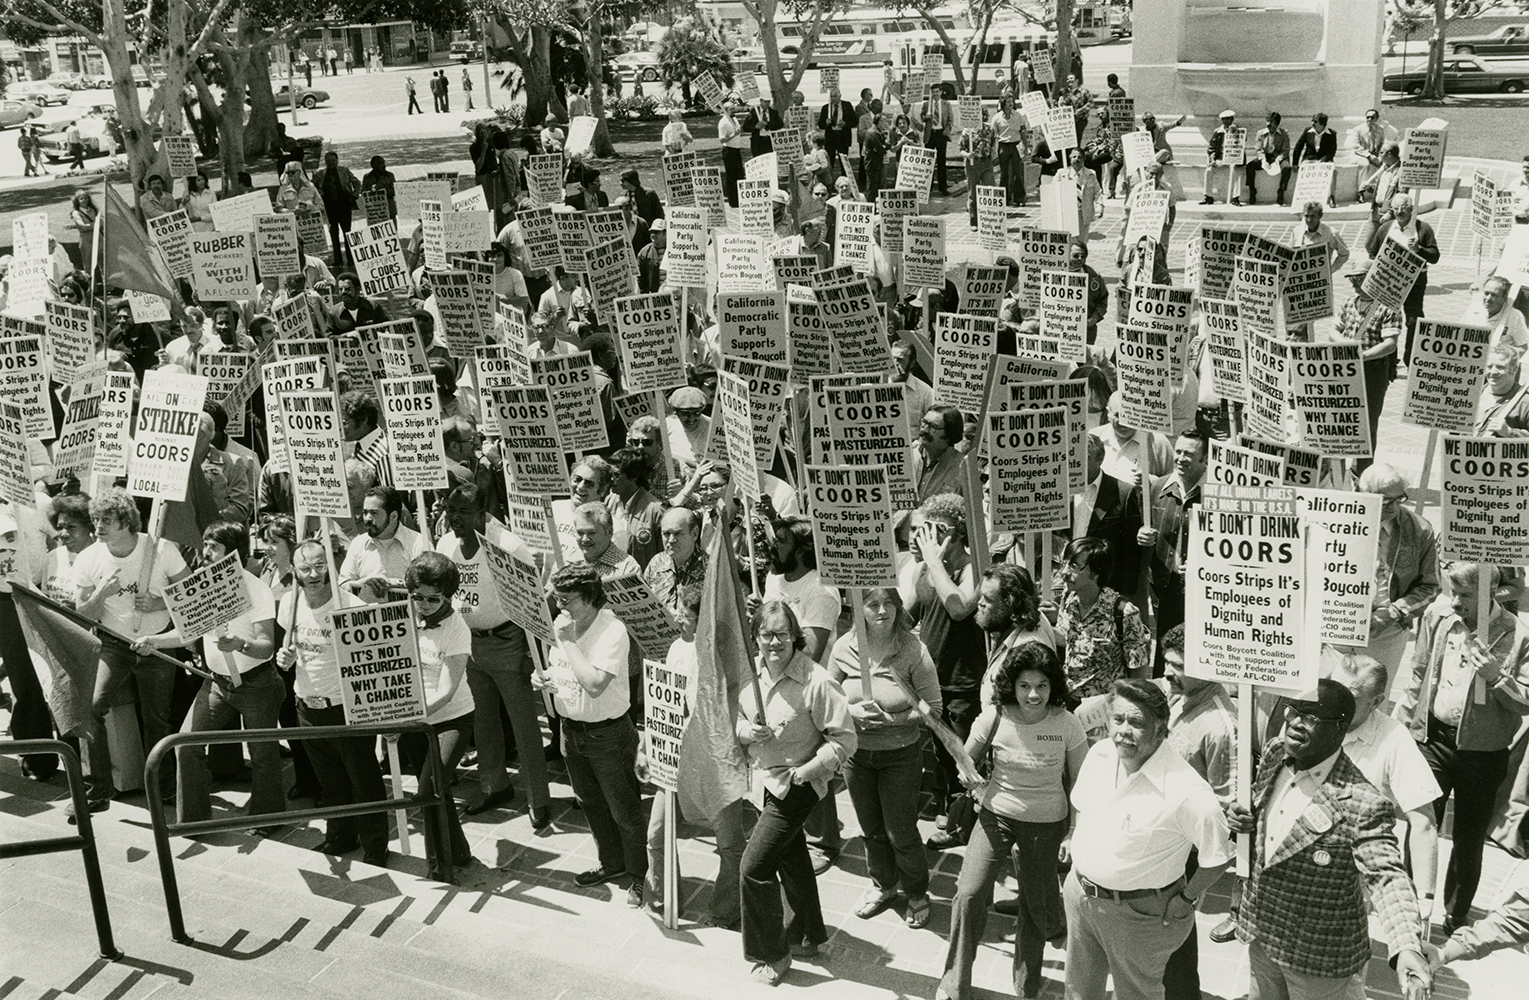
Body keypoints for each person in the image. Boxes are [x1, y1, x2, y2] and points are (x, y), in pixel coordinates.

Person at [1226, 679, 1431, 1000]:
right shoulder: (1275, 754)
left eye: (1310, 717)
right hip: (1262, 935)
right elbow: (1263, 815)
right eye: (1293, 711)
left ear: (1340, 729)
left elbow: (1387, 876)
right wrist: (1244, 818)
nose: (1293, 722)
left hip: (1317, 957)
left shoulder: (1362, 802)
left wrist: (1406, 945)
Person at [1065, 679, 1233, 1000]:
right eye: (1118, 720)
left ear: (1160, 730)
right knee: (1079, 991)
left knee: (1137, 995)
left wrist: (1187, 899)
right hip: (1080, 896)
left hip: (1137, 915)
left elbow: (1219, 856)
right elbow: (1082, 808)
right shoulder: (1099, 754)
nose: (1123, 731)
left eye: (1136, 722)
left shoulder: (1187, 792)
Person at [939, 641, 1084, 1000]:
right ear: (1011, 685)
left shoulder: (1067, 724)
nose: (1033, 695)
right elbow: (964, 760)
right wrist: (966, 775)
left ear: (1053, 686)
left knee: (1034, 907)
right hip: (994, 816)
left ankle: (1026, 986)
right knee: (968, 894)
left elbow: (1080, 785)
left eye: (1042, 686)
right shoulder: (994, 716)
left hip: (1047, 823)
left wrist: (1072, 833)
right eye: (1024, 686)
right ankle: (954, 984)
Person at [1396, 561, 1529, 934]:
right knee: (1420, 824)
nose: (1455, 601)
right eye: (1452, 592)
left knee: (1468, 837)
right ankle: (1408, 903)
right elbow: (1420, 672)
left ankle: (1456, 912)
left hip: (1482, 753)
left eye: (1465, 595)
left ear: (1491, 592)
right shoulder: (1439, 616)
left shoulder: (1517, 634)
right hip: (1433, 740)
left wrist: (1496, 677)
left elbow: (1526, 704)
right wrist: (1405, 726)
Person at [735, 600, 856, 986]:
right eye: (766, 634)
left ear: (795, 636)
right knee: (791, 856)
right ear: (756, 637)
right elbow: (736, 719)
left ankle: (773, 954)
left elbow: (844, 739)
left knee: (753, 869)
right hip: (761, 782)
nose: (775, 643)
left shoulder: (816, 681)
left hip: (796, 785)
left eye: (782, 634)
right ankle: (807, 934)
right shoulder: (750, 673)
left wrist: (806, 772)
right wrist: (745, 732)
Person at [133, 522, 282, 827]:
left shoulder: (257, 589)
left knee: (263, 756)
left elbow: (266, 646)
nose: (205, 552)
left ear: (234, 553)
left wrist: (241, 643)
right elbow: (187, 634)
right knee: (186, 745)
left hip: (256, 685)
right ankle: (194, 820)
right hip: (216, 685)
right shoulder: (201, 584)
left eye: (213, 546)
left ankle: (268, 819)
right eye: (205, 544)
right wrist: (155, 640)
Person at [534, 564, 648, 906]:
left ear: (589, 597)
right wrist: (542, 681)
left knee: (625, 811)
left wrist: (568, 643)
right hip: (572, 730)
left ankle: (642, 876)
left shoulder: (611, 631)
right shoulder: (563, 624)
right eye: (556, 597)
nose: (559, 605)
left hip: (608, 735)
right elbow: (563, 670)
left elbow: (596, 684)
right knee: (591, 804)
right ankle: (612, 863)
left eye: (565, 599)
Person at [828, 587, 941, 928]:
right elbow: (827, 698)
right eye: (872, 604)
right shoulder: (844, 648)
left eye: (888, 603)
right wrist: (850, 711)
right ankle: (884, 885)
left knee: (900, 831)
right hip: (856, 754)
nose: (881, 611)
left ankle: (918, 892)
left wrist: (895, 720)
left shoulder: (912, 651)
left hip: (899, 755)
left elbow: (933, 709)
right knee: (871, 828)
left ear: (898, 607)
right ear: (859, 609)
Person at [72, 490, 191, 812]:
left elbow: (191, 594)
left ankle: (162, 788)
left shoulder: (161, 549)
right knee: (91, 709)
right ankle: (97, 789)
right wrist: (100, 595)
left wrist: (159, 601)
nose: (97, 526)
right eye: (95, 519)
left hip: (157, 645)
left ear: (126, 521)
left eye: (106, 520)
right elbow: (82, 615)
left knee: (158, 720)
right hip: (114, 645)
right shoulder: (89, 558)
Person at [437, 486, 550, 826]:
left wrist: (533, 654)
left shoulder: (507, 545)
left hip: (507, 642)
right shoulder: (446, 544)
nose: (454, 517)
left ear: (483, 512)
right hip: (468, 643)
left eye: (463, 511)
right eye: (450, 509)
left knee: (523, 723)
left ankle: (538, 798)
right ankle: (494, 785)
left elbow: (531, 599)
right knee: (483, 721)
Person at [275, 539, 390, 865]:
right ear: (294, 571)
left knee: (364, 782)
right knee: (331, 784)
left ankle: (375, 847)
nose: (312, 574)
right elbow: (289, 652)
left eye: (319, 566)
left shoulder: (350, 606)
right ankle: (340, 837)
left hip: (345, 708)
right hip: (307, 707)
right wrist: (285, 658)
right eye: (305, 567)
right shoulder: (289, 604)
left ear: (331, 566)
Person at [1331, 652, 1443, 921]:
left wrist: (1424, 897)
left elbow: (1423, 821)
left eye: (1351, 697)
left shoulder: (1394, 739)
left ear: (1376, 702)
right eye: (1334, 689)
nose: (1336, 701)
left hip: (1350, 876)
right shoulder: (1309, 714)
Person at [400, 552, 476, 882]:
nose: (425, 604)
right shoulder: (404, 615)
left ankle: (439, 865)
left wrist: (404, 715)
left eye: (434, 598)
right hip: (417, 720)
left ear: (449, 595)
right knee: (437, 791)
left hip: (452, 718)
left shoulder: (457, 629)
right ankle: (460, 851)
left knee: (428, 790)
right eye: (417, 597)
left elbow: (446, 692)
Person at [1344, 464, 1441, 672]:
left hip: (1386, 630)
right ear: (1363, 493)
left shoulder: (1419, 529)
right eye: (1386, 500)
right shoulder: (1338, 518)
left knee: (1372, 697)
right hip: (1338, 622)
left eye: (1400, 498)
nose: (1394, 507)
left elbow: (1430, 586)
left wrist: (1395, 612)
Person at [1058, 537, 1151, 697]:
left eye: (1074, 566)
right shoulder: (1068, 598)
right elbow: (1067, 639)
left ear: (1096, 573)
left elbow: (1138, 669)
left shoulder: (1124, 612)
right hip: (1070, 702)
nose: (1064, 572)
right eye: (1064, 563)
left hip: (1103, 709)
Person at [1140, 431, 1207, 641]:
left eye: (1188, 454)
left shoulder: (1215, 494)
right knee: (1164, 644)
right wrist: (1141, 534)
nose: (1180, 458)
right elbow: (1144, 524)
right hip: (1163, 586)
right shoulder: (1158, 487)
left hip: (1199, 588)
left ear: (1205, 459)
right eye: (1178, 451)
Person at [1336, 263, 1402, 463]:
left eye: (1360, 279)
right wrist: (1346, 346)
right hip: (1345, 369)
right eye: (1352, 279)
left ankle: (1362, 471)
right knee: (1339, 419)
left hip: (1373, 370)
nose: (1355, 284)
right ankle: (1337, 470)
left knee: (1367, 423)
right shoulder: (1349, 303)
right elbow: (1333, 331)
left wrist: (1362, 356)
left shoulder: (1388, 307)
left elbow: (1390, 344)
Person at [1365, 194, 1439, 364]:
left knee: (1413, 321)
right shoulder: (1385, 228)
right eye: (1395, 208)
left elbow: (1435, 256)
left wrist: (1419, 249)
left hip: (1414, 284)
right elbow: (1373, 252)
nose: (1399, 212)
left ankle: (1410, 357)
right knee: (1387, 322)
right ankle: (1390, 360)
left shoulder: (1423, 229)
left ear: (1411, 210)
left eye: (1403, 208)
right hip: (1388, 284)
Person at [339, 486, 429, 601]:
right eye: (365, 512)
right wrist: (363, 583)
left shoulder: (419, 544)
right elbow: (342, 588)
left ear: (393, 516)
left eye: (374, 513)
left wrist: (397, 584)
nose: (367, 519)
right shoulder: (358, 544)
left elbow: (430, 589)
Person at [313, 150, 361, 269]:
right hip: (329, 207)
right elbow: (312, 188)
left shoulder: (344, 171)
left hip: (343, 205)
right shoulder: (320, 174)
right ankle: (337, 259)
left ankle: (350, 259)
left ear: (337, 160)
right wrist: (319, 194)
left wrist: (355, 195)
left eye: (333, 160)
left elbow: (357, 182)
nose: (331, 163)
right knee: (333, 234)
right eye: (328, 161)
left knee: (347, 232)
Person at [1465, 274, 1529, 356]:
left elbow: (1522, 348)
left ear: (1504, 297)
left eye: (1494, 295)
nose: (1488, 298)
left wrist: (1502, 358)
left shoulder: (1515, 316)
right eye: (1486, 293)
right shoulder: (1473, 309)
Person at [914, 405, 967, 502]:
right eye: (924, 423)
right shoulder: (908, 457)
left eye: (933, 427)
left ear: (949, 434)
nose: (924, 430)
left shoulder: (963, 468)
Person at [1474, 343, 1529, 435]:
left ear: (1514, 369)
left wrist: (1509, 432)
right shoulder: (1473, 393)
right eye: (1489, 366)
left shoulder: (1524, 403)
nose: (1493, 372)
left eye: (1500, 367)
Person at [1288, 200, 1350, 273]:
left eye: (1312, 216)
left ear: (1320, 216)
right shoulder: (1297, 231)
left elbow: (1344, 253)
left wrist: (1330, 270)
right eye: (1306, 216)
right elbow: (1289, 254)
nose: (1309, 220)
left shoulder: (1330, 233)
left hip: (1321, 278)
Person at [1246, 111, 1291, 206]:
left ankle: (1281, 191)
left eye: (1271, 122)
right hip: (1265, 156)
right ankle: (1252, 190)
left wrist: (1277, 160)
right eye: (1267, 121)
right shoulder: (1260, 133)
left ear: (1277, 123)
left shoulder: (1283, 134)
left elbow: (1285, 150)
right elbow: (1258, 149)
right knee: (1250, 166)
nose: (1268, 124)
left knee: (1287, 168)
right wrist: (1263, 160)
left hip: (1278, 156)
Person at [960, 114, 997, 228]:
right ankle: (974, 221)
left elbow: (994, 140)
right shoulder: (967, 131)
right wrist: (967, 155)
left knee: (991, 189)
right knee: (973, 193)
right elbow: (961, 149)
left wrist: (993, 150)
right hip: (972, 164)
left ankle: (992, 218)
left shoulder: (989, 128)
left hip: (986, 162)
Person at [1200, 110, 1243, 206]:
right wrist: (1212, 159)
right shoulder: (1218, 132)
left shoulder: (1239, 129)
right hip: (1221, 158)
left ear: (1232, 119)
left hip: (1233, 157)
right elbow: (1211, 147)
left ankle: (1235, 198)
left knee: (1237, 171)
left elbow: (1242, 142)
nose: (1226, 121)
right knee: (1209, 171)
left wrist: (1236, 132)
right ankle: (1208, 196)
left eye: (1228, 119)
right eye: (1224, 119)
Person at [919, 85, 954, 195]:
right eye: (933, 92)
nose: (935, 94)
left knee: (941, 161)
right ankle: (927, 187)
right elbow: (922, 117)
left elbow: (950, 120)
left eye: (937, 91)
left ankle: (942, 187)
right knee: (928, 162)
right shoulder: (926, 104)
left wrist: (946, 132)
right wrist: (926, 117)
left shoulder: (946, 104)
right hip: (930, 135)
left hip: (941, 134)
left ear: (941, 92)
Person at [819, 86, 857, 179]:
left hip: (843, 137)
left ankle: (845, 179)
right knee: (829, 161)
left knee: (844, 161)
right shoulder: (825, 108)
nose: (833, 98)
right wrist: (825, 123)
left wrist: (845, 124)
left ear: (840, 96)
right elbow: (820, 124)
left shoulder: (847, 105)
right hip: (830, 138)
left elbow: (854, 121)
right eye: (831, 96)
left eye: (835, 96)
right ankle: (830, 180)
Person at [718, 98, 750, 207]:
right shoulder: (723, 122)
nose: (733, 110)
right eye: (731, 109)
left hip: (737, 149)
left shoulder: (734, 118)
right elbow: (722, 140)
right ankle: (733, 201)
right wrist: (733, 135)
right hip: (729, 150)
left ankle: (740, 199)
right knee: (731, 176)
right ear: (726, 110)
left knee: (739, 175)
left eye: (733, 108)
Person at [69, 190, 98, 279]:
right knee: (88, 263)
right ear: (77, 201)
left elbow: (102, 222)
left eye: (86, 198)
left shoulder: (93, 210)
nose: (84, 200)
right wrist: (95, 223)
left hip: (98, 237)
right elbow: (83, 226)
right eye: (81, 199)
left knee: (103, 260)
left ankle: (108, 286)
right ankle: (92, 289)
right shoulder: (76, 213)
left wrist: (95, 224)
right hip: (86, 239)